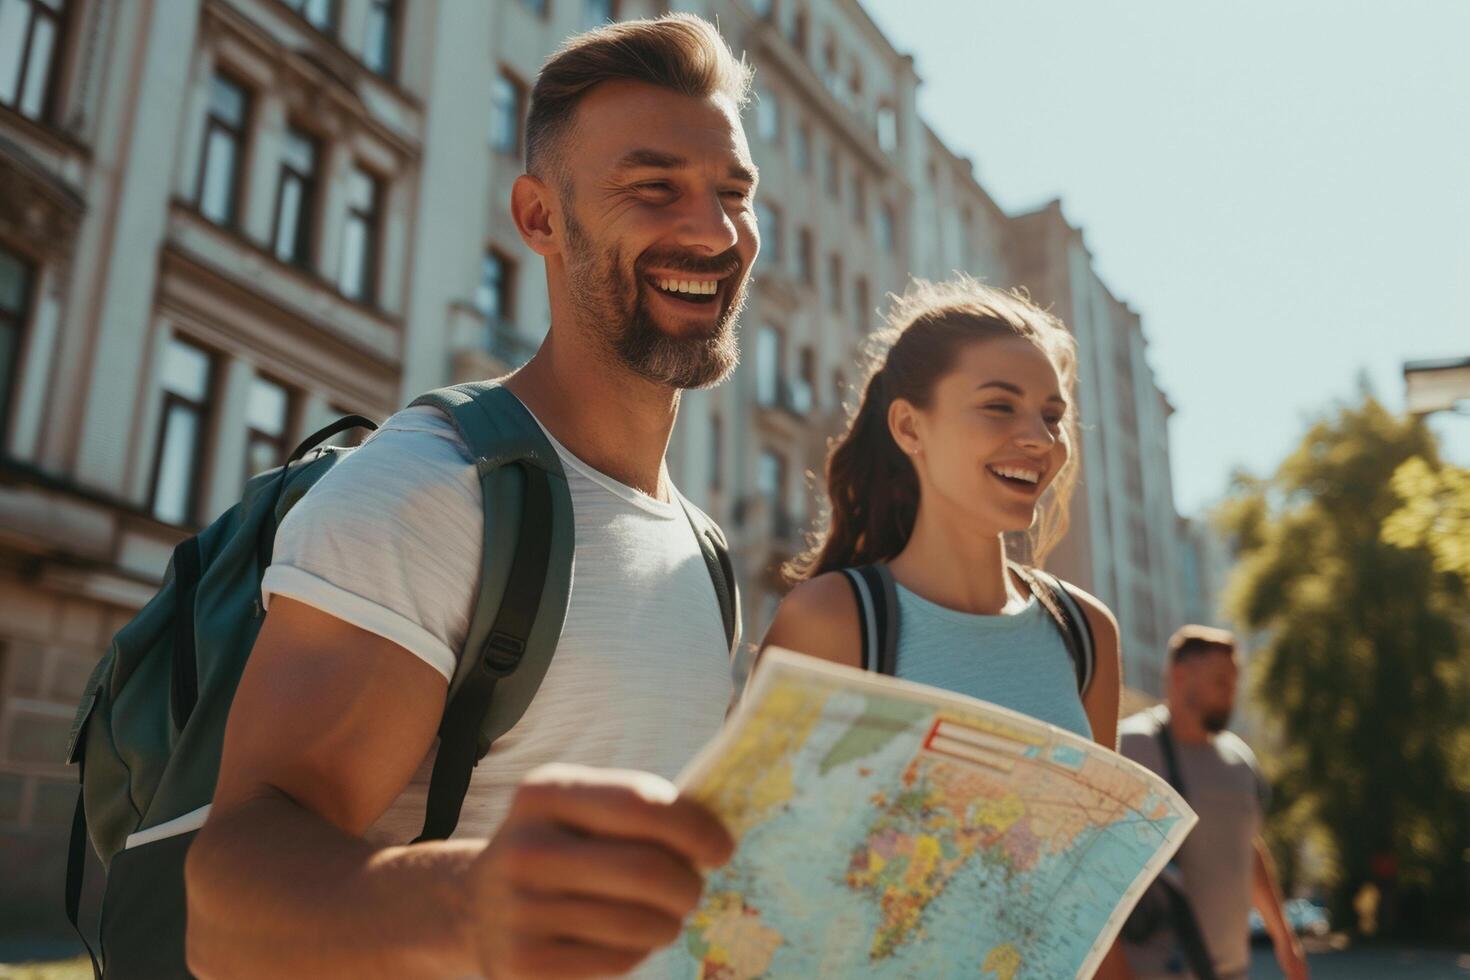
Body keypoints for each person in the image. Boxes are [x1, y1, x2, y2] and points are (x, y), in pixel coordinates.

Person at [185, 15, 760, 979]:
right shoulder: (430, 491)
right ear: (539, 218)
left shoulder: (703, 550)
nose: (713, 231)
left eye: (733, 193)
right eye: (654, 188)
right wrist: (467, 900)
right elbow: (227, 902)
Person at [760, 276, 1133, 978]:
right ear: (909, 428)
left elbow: (1090, 901)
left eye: (1052, 417)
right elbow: (758, 887)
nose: (1039, 440)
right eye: (999, 407)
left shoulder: (1087, 635)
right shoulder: (833, 623)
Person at [1118, 626, 1310, 980]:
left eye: (1235, 682)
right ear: (1180, 675)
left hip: (1229, 971)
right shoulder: (1128, 748)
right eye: (1221, 681)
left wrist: (1284, 939)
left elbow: (1248, 850)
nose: (1231, 693)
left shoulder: (1240, 761)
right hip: (1148, 971)